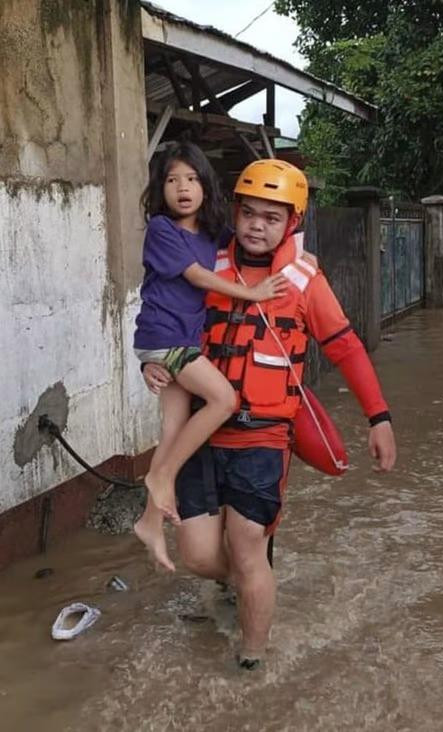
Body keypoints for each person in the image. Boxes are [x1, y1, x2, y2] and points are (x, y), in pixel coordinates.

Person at [142, 159, 397, 668]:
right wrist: (152, 364)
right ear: (233, 214)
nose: (257, 226)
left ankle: (252, 662)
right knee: (196, 554)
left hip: (262, 439)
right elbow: (163, 320)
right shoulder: (205, 263)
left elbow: (345, 348)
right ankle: (248, 579)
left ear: (292, 223)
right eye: (249, 213)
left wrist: (379, 417)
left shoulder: (305, 280)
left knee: (248, 545)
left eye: (272, 217)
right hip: (202, 435)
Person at [132, 142, 288, 572]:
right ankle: (161, 479)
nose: (182, 187)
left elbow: (253, 237)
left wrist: (299, 253)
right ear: (159, 188)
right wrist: (254, 293)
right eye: (171, 179)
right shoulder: (163, 230)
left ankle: (149, 521)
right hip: (167, 339)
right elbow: (198, 277)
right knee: (223, 400)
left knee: (173, 428)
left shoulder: (211, 233)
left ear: (205, 186)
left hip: (175, 344)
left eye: (191, 178)